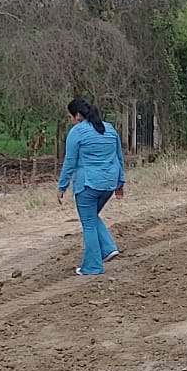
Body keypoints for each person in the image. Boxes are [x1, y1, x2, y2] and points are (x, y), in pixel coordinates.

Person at [56, 97, 125, 277]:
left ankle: (93, 266)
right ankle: (108, 248)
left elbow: (70, 162)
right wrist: (120, 182)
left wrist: (62, 186)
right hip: (109, 184)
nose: (70, 121)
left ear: (78, 116)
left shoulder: (77, 132)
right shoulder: (109, 129)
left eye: (70, 117)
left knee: (88, 224)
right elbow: (119, 157)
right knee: (92, 217)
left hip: (88, 184)